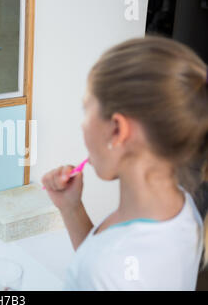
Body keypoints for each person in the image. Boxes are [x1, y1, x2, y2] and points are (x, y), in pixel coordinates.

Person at [42, 36, 208, 290]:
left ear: (117, 129)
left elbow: (103, 269)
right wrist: (71, 208)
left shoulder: (107, 272)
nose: (82, 124)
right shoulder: (184, 209)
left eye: (86, 110)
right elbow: (102, 254)